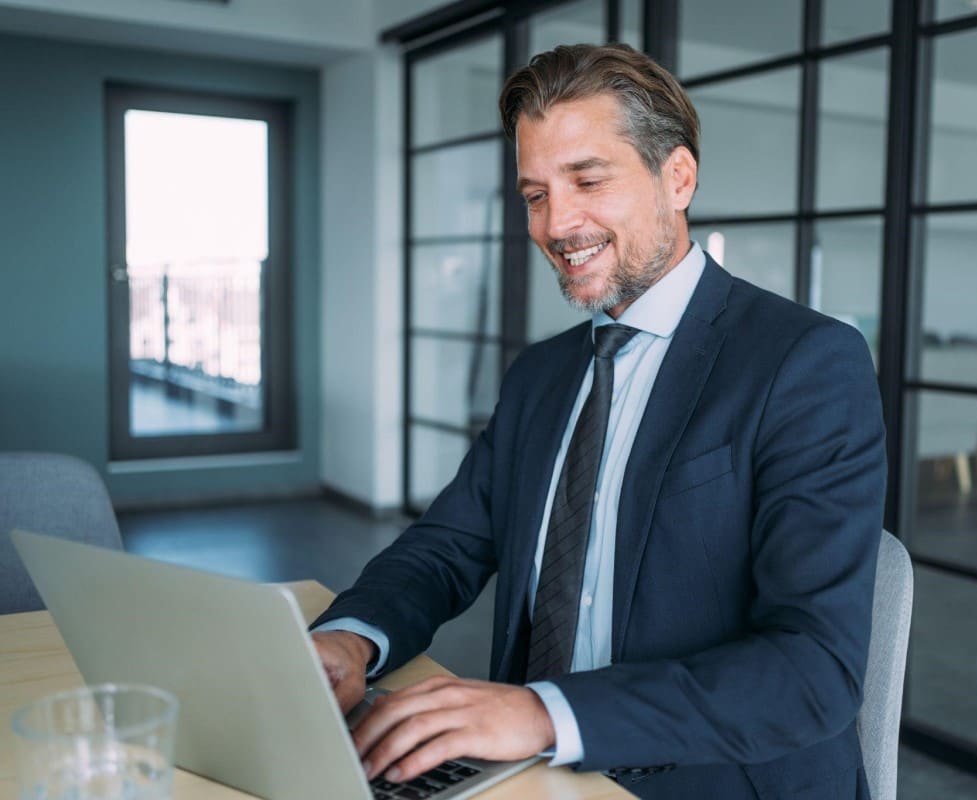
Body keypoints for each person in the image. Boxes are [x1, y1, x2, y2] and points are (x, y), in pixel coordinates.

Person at [312, 42, 886, 799]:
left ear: (676, 178)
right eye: (535, 195)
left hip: (710, 778)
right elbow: (446, 546)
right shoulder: (541, 375)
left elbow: (813, 669)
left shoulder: (806, 363)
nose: (557, 222)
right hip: (537, 771)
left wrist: (546, 714)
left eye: (587, 180)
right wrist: (350, 640)